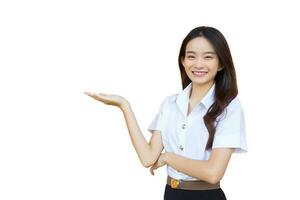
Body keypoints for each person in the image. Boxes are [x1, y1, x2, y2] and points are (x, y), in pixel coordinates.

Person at [84, 26, 247, 200]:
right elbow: (148, 158)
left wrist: (168, 158)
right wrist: (124, 106)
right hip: (171, 193)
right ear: (183, 61)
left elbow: (213, 173)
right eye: (191, 56)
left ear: (221, 63)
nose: (198, 64)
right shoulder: (170, 104)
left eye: (208, 57)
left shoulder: (229, 107)